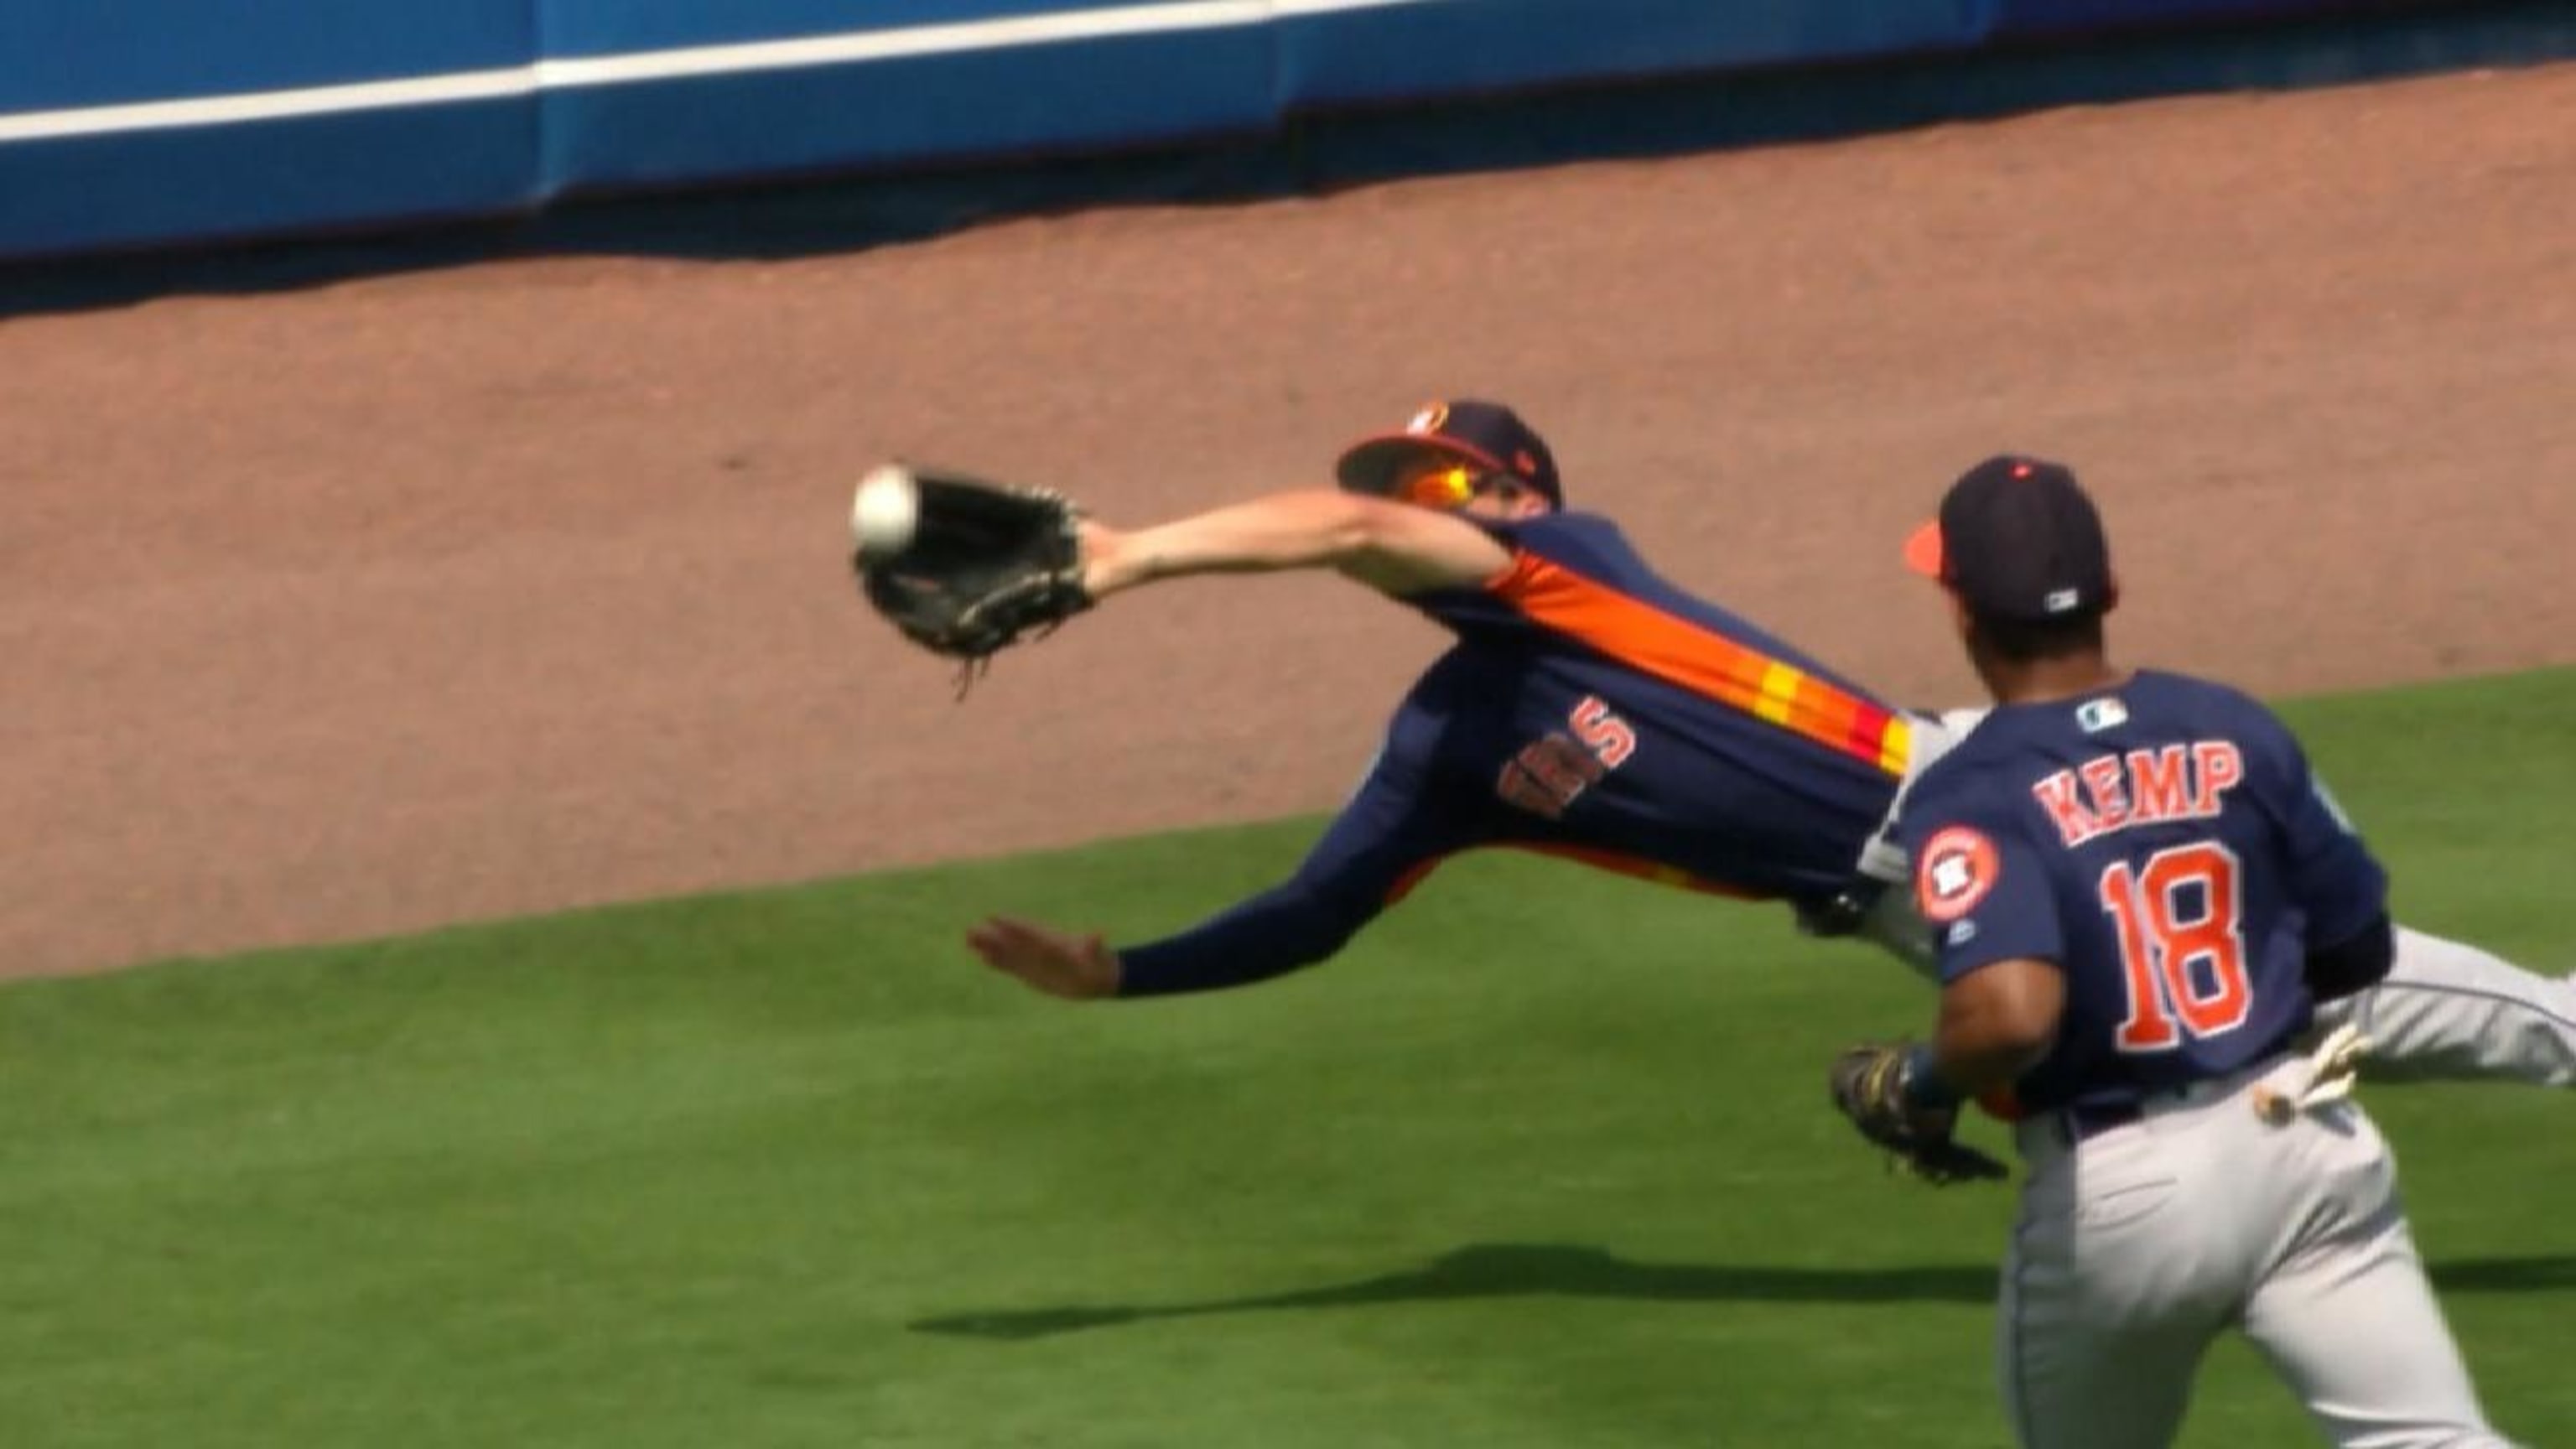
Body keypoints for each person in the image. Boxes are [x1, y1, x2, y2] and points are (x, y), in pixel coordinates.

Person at [962, 399, 2575, 1093]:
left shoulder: (1567, 562)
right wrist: (1125, 976)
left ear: (1523, 498)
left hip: (1990, 790)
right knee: (2179, 1104)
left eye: (1453, 479)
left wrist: (1126, 556)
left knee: (2369, 993)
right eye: (1409, 479)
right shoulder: (1447, 739)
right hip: (1907, 901)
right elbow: (1310, 914)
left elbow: (1332, 528)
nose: (1426, 502)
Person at [1858, 454, 2516, 1447]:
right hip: (2304, 1139)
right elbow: (2357, 948)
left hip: (2124, 1194)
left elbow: (2012, 1014)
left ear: (1963, 610)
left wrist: (1922, 1078)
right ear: (2109, 591)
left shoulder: (1972, 788)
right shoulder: (2234, 724)